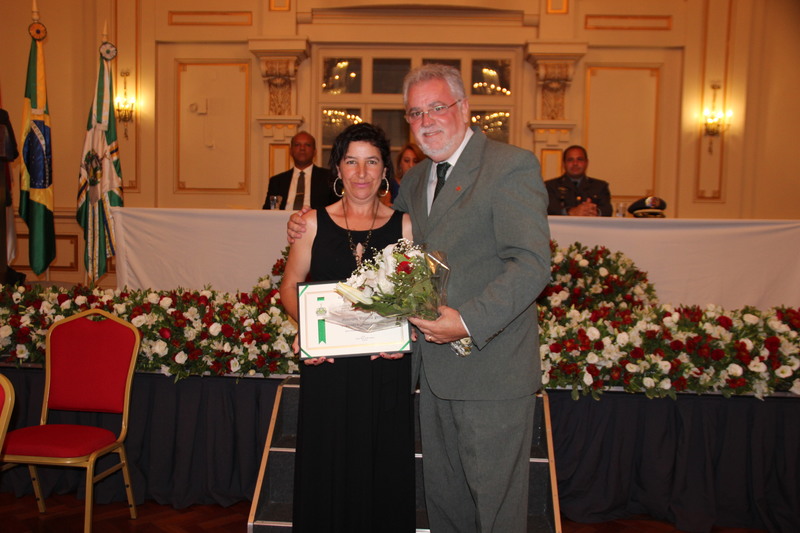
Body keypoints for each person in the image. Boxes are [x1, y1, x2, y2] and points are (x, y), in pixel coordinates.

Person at [289, 64, 551, 533]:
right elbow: (385, 256)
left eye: (437, 108)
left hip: (489, 369)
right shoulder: (415, 181)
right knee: (446, 502)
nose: (426, 121)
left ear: (464, 108)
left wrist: (466, 321)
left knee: (495, 508)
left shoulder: (509, 165)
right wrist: (306, 226)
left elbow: (532, 264)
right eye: (415, 113)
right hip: (429, 371)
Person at [279, 123, 415, 533]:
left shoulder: (405, 226)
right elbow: (289, 285)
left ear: (384, 170)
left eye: (371, 162)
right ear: (337, 169)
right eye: (351, 162)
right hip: (328, 368)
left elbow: (413, 297)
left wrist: (405, 328)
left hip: (384, 369)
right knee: (327, 465)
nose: (361, 172)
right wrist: (308, 328)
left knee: (382, 468)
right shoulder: (311, 224)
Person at [262, 131, 336, 210]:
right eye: (297, 145)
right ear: (291, 151)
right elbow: (269, 210)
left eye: (307, 145)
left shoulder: (329, 178)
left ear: (315, 151)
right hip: (283, 218)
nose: (302, 148)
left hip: (316, 217)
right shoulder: (277, 182)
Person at [545, 145, 612, 216]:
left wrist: (595, 212)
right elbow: (548, 209)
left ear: (586, 162)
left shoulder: (600, 186)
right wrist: (570, 212)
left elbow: (607, 210)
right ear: (564, 163)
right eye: (570, 160)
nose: (575, 163)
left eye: (580, 159)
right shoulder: (550, 186)